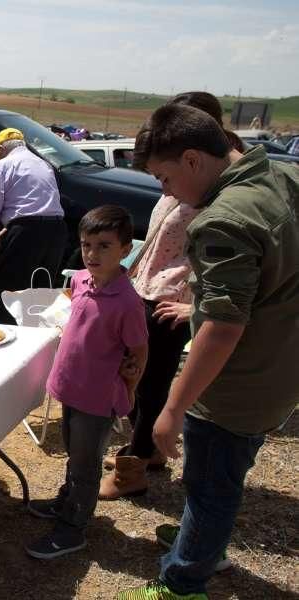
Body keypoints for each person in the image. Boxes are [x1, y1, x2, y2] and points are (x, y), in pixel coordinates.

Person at [117, 105, 299, 600]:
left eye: (165, 176)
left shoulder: (224, 220)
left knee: (210, 483)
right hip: (279, 366)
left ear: (194, 160)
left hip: (236, 384)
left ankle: (184, 581)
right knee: (223, 476)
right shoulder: (278, 172)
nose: (165, 190)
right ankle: (199, 539)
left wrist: (172, 408)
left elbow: (221, 329)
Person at [99, 91, 245, 500]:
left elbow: (222, 264)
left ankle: (134, 472)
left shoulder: (215, 190)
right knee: (139, 379)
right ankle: (147, 453)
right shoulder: (181, 178)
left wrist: (194, 305)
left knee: (149, 383)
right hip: (145, 289)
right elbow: (161, 238)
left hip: (168, 302)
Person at [26, 205, 148, 560]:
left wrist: (127, 387)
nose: (92, 254)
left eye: (104, 246)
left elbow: (139, 351)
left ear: (125, 249)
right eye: (86, 245)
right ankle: (66, 502)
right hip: (70, 388)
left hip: (97, 399)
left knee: (86, 464)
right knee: (72, 452)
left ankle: (73, 528)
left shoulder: (128, 302)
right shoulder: (80, 280)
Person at [0, 127, 66, 324]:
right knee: (41, 288)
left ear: (2, 149)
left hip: (26, 233)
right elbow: (32, 209)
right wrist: (2, 234)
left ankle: (1, 333)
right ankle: (36, 336)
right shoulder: (43, 164)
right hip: (57, 231)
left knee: (8, 288)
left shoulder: (4, 164)